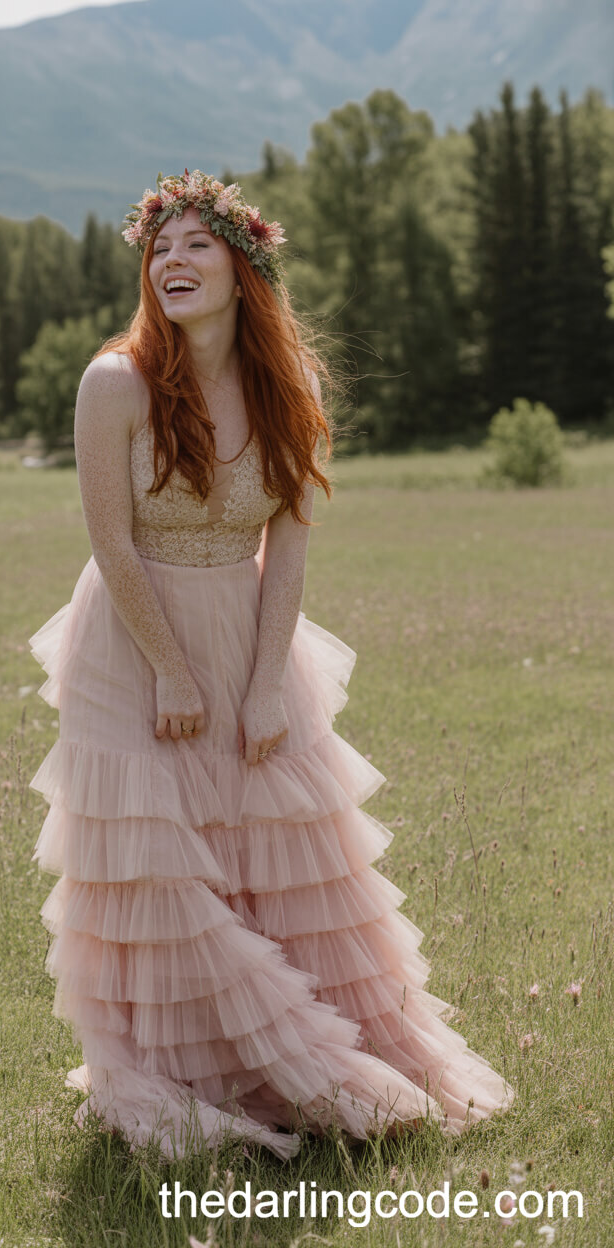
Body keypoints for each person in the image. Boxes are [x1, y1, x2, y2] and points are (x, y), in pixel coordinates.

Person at [28, 170, 515, 1160]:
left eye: (195, 244)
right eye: (157, 248)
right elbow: (111, 543)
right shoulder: (113, 382)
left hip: (251, 631)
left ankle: (287, 1065)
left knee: (277, 855)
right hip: (131, 636)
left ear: (244, 267)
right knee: (159, 862)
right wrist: (169, 669)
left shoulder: (286, 386)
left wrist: (259, 684)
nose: (171, 261)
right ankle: (183, 1072)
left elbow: (286, 549)